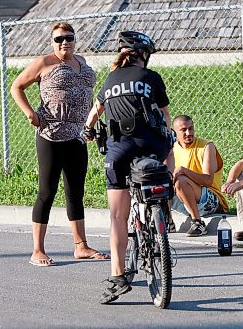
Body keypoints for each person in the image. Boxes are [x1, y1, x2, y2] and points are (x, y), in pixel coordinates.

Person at [83, 30, 173, 304]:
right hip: (151, 146)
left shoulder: (110, 79)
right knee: (166, 155)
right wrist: (167, 138)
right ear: (143, 56)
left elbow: (93, 115)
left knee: (118, 217)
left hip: (118, 148)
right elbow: (166, 116)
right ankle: (165, 209)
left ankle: (118, 275)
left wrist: (87, 131)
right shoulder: (151, 78)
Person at [10, 22, 108, 267]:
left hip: (77, 136)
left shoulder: (82, 62)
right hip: (50, 135)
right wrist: (30, 114)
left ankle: (81, 246)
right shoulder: (44, 63)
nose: (65, 42)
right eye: (59, 39)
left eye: (69, 37)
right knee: (47, 191)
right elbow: (16, 87)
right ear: (52, 42)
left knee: (75, 191)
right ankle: (37, 250)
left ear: (75, 40)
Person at [171, 115, 229, 236]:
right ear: (174, 132)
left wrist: (184, 170)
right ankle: (167, 221)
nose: (188, 133)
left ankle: (197, 223)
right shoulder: (171, 148)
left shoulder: (206, 146)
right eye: (183, 130)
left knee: (181, 181)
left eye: (191, 128)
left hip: (209, 199)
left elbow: (208, 180)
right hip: (183, 198)